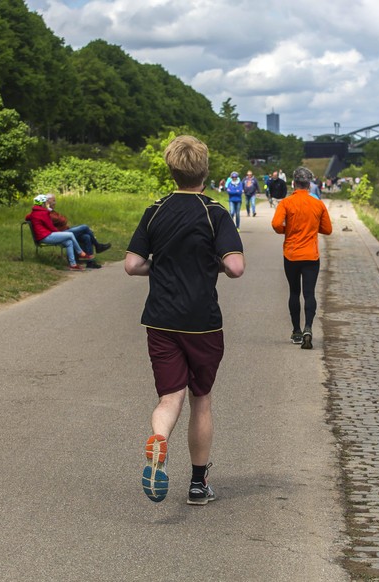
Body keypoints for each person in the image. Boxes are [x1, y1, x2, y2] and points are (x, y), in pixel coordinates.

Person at [125, 135, 245, 505]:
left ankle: (160, 440)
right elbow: (236, 267)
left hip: (161, 319)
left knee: (169, 396)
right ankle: (197, 484)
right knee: (201, 399)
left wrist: (159, 268)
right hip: (203, 322)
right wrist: (215, 264)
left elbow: (132, 264)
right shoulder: (215, 213)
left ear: (171, 170)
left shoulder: (155, 210)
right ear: (205, 171)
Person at [271, 166, 332, 350]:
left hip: (291, 254)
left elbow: (275, 224)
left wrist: (286, 230)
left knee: (294, 292)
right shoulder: (318, 204)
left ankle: (296, 331)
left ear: (293, 183)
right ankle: (308, 328)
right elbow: (328, 229)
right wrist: (313, 229)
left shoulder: (286, 203)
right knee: (309, 293)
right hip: (311, 256)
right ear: (309, 183)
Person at [25, 194, 94, 271]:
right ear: (43, 203)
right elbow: (51, 227)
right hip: (45, 236)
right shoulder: (43, 213)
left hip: (42, 236)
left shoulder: (34, 212)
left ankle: (73, 264)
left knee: (69, 242)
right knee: (70, 234)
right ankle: (81, 253)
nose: (46, 204)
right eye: (45, 203)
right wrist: (59, 233)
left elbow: (27, 217)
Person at [45, 194, 111, 269]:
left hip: (65, 230)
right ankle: (97, 246)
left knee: (87, 237)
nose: (55, 203)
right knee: (84, 227)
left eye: (55, 200)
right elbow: (61, 219)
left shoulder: (51, 211)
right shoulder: (46, 212)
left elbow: (62, 219)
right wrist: (58, 216)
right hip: (62, 234)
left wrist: (61, 218)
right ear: (48, 201)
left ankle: (90, 262)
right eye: (53, 200)